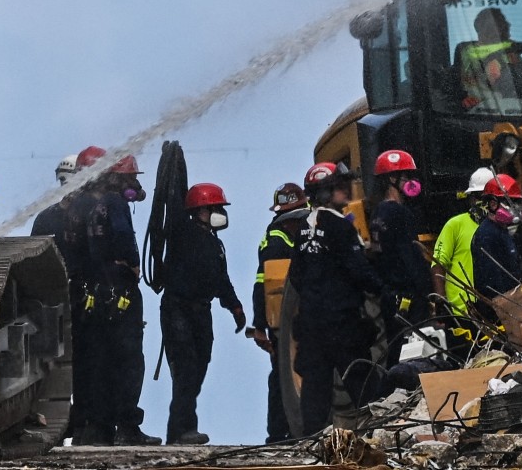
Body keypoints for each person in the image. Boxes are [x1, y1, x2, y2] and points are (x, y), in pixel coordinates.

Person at [288, 162, 388, 436]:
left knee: (314, 385)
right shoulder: (341, 228)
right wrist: (382, 288)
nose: (346, 190)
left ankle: (309, 442)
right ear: (323, 193)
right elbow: (358, 269)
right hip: (341, 322)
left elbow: (296, 275)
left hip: (310, 322)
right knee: (361, 377)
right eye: (339, 186)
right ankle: (377, 433)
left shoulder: (303, 230)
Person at [69, 146, 159, 447]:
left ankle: (99, 428)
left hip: (96, 291)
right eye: (131, 178)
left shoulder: (91, 206)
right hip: (120, 290)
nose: (134, 185)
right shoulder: (116, 204)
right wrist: (133, 265)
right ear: (120, 179)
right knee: (130, 361)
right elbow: (123, 238)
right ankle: (128, 428)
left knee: (101, 361)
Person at [161, 182, 245, 445]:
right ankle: (182, 430)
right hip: (179, 309)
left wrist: (235, 306)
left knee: (198, 367)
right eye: (214, 208)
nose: (220, 213)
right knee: (185, 369)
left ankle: (181, 428)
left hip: (200, 311)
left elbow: (221, 279)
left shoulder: (214, 243)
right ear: (199, 211)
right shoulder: (183, 235)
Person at [29, 153, 83, 440]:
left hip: (53, 305)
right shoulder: (84, 217)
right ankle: (68, 422)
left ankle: (60, 421)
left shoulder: (46, 217)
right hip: (68, 304)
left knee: (55, 364)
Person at [251, 183, 308, 444]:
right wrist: (259, 324)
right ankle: (277, 433)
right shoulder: (274, 241)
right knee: (280, 376)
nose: (294, 222)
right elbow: (262, 282)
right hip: (281, 318)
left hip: (300, 313)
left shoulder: (305, 233)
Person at [368, 149, 433, 364]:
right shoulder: (400, 214)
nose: (410, 181)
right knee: (415, 350)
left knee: (396, 348)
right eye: (406, 176)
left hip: (390, 295)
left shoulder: (378, 213)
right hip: (408, 296)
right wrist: (427, 292)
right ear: (392, 179)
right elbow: (410, 257)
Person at [432, 167, 494, 319]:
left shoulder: (499, 229)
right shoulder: (455, 225)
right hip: (462, 312)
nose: (483, 203)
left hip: (493, 308)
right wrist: (441, 302)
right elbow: (438, 264)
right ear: (471, 198)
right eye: (479, 197)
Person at [457, 7, 522, 107]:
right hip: (487, 110)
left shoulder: (512, 49)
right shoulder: (470, 53)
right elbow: (475, 85)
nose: (508, 25)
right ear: (487, 28)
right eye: (502, 22)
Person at [470, 173, 522, 324]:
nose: (516, 208)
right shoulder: (487, 235)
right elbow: (491, 283)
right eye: (511, 202)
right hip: (498, 314)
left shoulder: (503, 232)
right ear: (493, 204)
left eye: (517, 202)